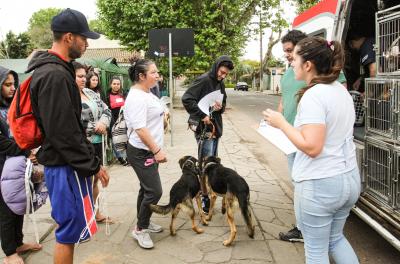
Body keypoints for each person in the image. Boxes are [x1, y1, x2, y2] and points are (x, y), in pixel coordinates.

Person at [264, 37, 360, 263]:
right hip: (348, 178)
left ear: (308, 64)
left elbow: (312, 146)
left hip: (321, 184)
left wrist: (282, 124)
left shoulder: (314, 95)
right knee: (335, 239)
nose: (291, 63)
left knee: (316, 251)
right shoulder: (340, 91)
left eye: (295, 58)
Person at [28, 9, 109, 264]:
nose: (87, 44)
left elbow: (70, 127)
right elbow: (64, 134)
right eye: (84, 38)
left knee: (71, 229)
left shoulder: (58, 70)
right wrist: (93, 166)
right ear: (69, 37)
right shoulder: (54, 75)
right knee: (67, 230)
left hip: (66, 163)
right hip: (63, 165)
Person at [278, 30, 347, 243]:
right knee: (297, 183)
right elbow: (285, 99)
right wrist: (279, 119)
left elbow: (314, 146)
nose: (288, 56)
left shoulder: (320, 90)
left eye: (291, 52)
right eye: (286, 52)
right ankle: (303, 225)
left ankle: (304, 229)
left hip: (309, 142)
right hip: (292, 139)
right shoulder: (290, 72)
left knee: (305, 186)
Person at [0, 66, 42, 264]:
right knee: (6, 210)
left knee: (18, 205)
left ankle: (18, 242)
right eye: (7, 84)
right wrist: (27, 150)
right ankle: (9, 252)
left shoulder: (11, 106)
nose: (12, 88)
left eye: (14, 84)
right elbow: (2, 142)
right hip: (2, 169)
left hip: (17, 166)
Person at [181, 55, 234, 214]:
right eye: (221, 72)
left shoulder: (221, 84)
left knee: (212, 165)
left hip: (215, 129)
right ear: (216, 66)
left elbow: (223, 105)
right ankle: (204, 198)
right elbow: (187, 99)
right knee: (205, 166)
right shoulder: (204, 80)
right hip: (204, 130)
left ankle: (210, 193)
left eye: (226, 74)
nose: (222, 76)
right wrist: (201, 115)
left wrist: (220, 107)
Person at [124, 58, 166, 249]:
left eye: (157, 72)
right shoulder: (136, 97)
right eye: (153, 72)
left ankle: (145, 222)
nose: (157, 75)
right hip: (142, 152)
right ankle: (140, 229)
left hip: (148, 150)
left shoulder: (147, 92)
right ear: (141, 76)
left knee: (146, 189)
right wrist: (157, 150)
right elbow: (140, 128)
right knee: (155, 191)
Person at [73, 61, 113, 224]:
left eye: (84, 76)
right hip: (83, 145)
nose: (83, 79)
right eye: (79, 76)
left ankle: (95, 212)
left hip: (98, 143)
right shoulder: (69, 96)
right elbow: (72, 122)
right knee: (84, 181)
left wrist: (103, 123)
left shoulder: (90, 92)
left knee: (96, 179)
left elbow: (107, 110)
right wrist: (94, 127)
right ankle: (83, 216)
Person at [105, 76, 129, 166]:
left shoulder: (124, 94)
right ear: (111, 84)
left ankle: (127, 157)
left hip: (124, 120)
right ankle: (120, 158)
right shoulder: (107, 95)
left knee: (126, 138)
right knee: (115, 139)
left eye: (118, 84)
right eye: (114, 84)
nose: (116, 86)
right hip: (113, 120)